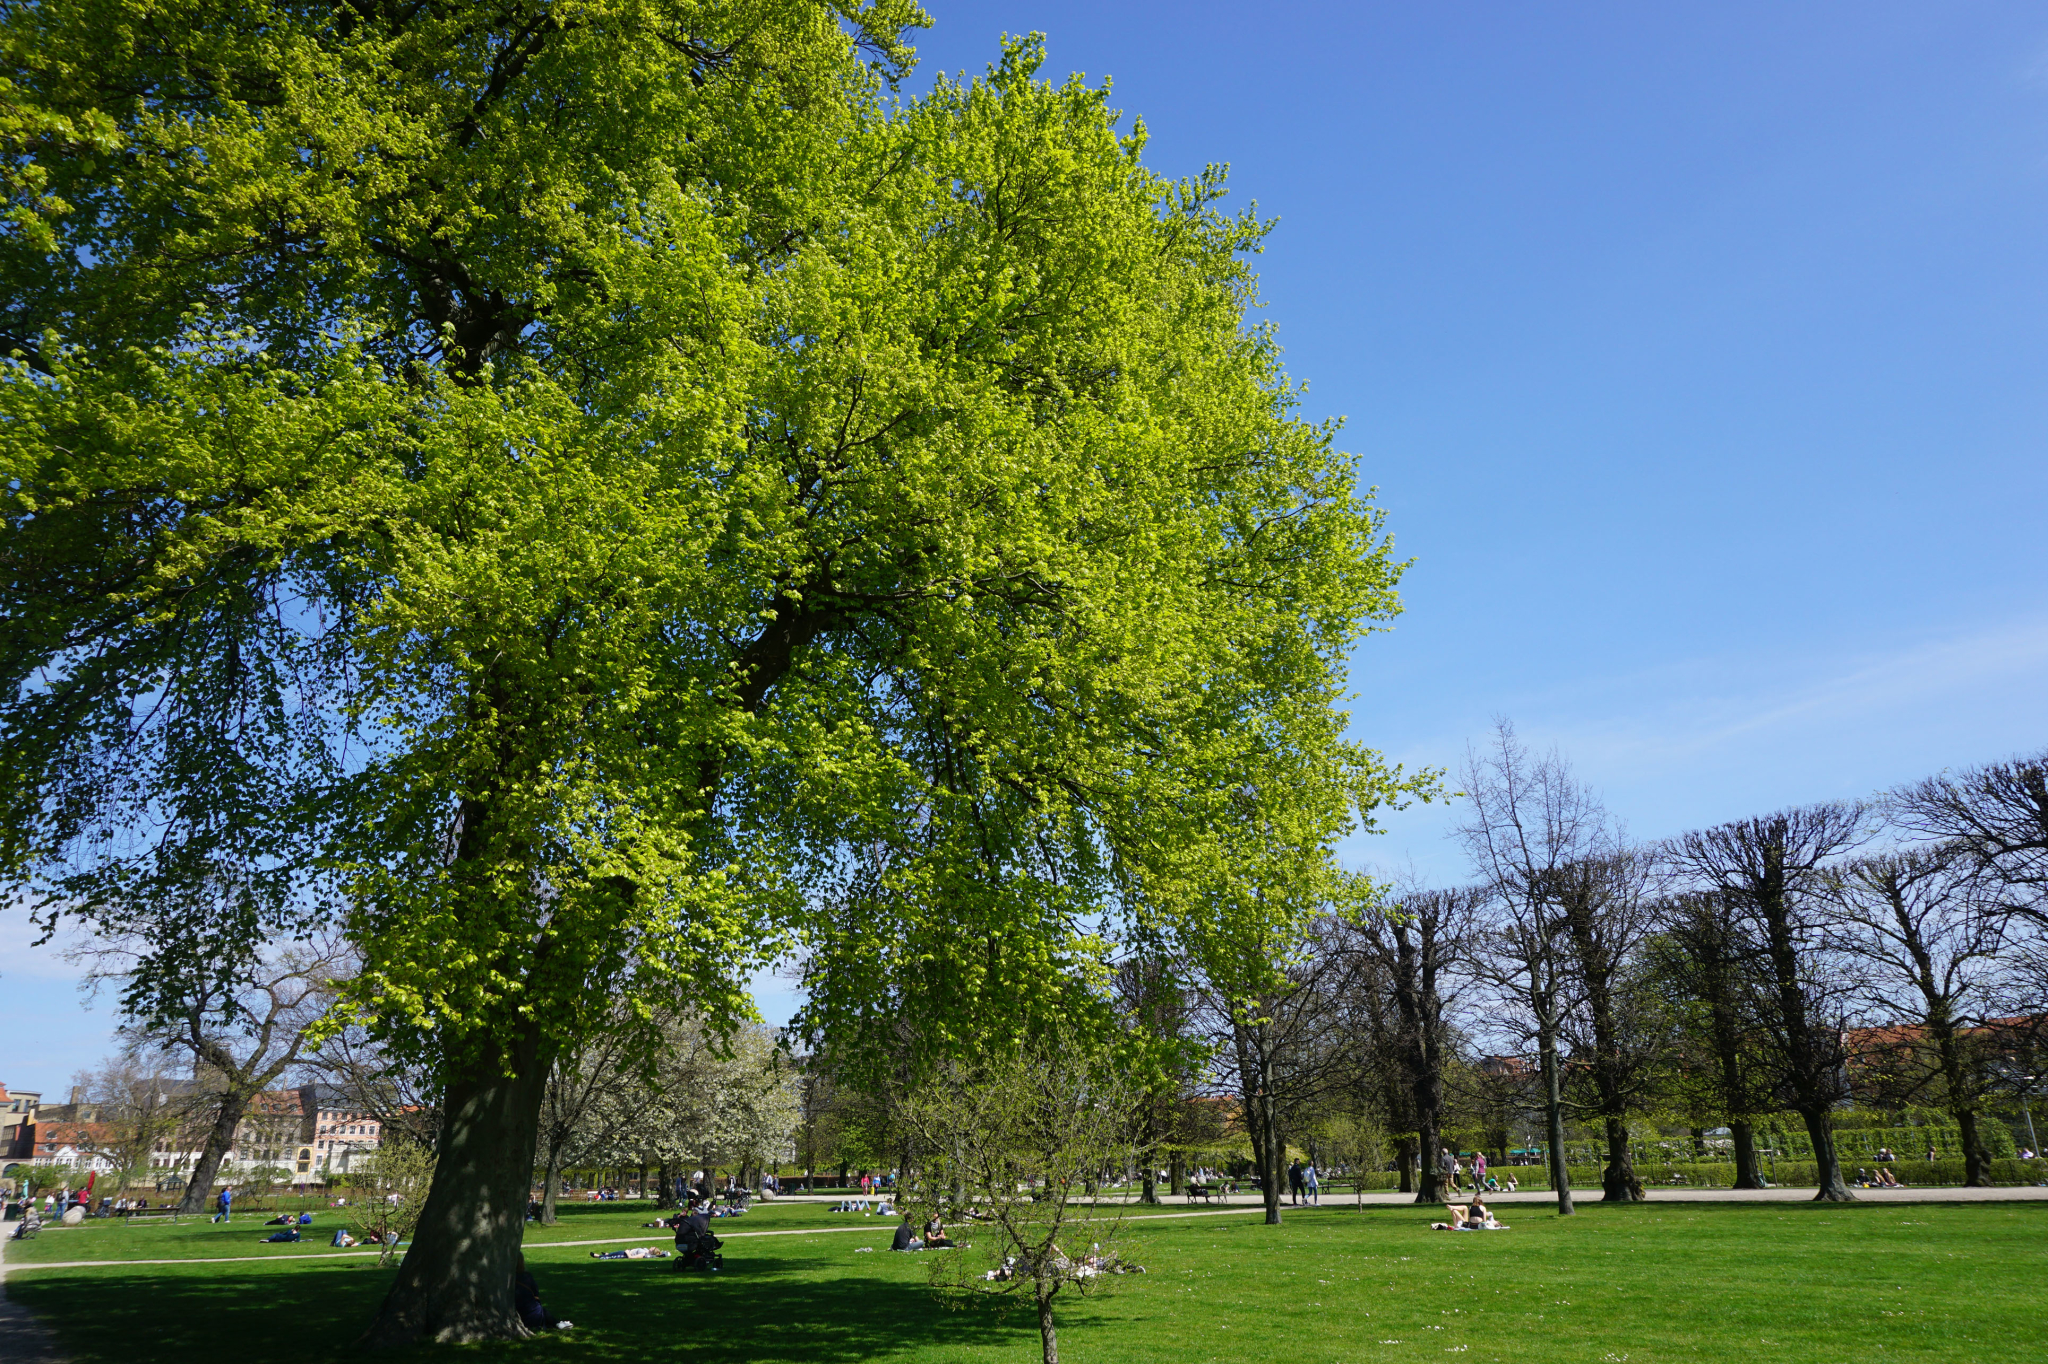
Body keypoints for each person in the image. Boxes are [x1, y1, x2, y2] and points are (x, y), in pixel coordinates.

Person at [514, 1254, 573, 1332]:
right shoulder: (527, 1277)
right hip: (533, 1315)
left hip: (518, 1313)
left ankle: (557, 1323)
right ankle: (557, 1323)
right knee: (541, 1310)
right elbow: (536, 1294)